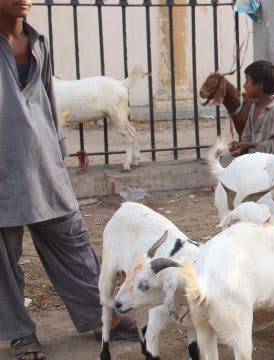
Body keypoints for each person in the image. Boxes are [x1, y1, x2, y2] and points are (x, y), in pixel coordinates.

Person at [0, 2, 136, 359]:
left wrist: (61, 148)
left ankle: (100, 315)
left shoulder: (38, 42)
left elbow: (47, 97)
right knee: (4, 257)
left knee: (72, 239)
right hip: (1, 167)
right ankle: (20, 334)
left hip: (43, 160)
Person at [230, 60, 274, 156]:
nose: (244, 85)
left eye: (247, 81)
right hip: (254, 165)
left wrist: (249, 145)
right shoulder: (254, 106)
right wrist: (240, 147)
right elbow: (247, 136)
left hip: (269, 168)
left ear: (260, 85)